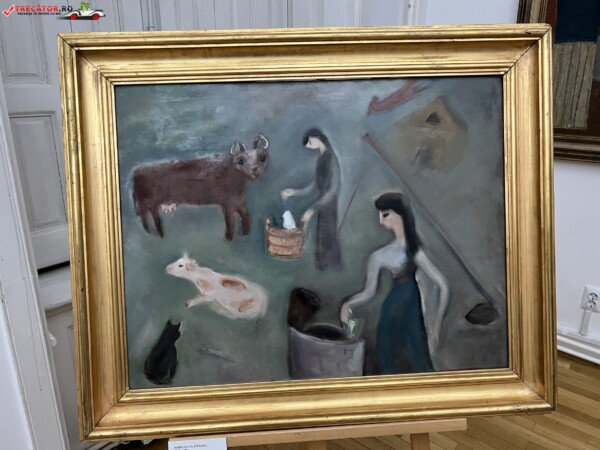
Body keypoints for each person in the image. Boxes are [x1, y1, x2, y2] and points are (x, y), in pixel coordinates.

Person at [340, 192, 449, 374]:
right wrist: (348, 303)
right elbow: (369, 292)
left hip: (411, 316)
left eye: (385, 214)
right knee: (389, 361)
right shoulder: (379, 255)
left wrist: (436, 325)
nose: (380, 221)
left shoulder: (414, 251)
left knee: (416, 361)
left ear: (400, 214)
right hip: (391, 313)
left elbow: (444, 286)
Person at [281, 128, 342, 270]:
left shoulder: (331, 158)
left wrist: (313, 208)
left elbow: (333, 188)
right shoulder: (321, 158)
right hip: (322, 201)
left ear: (316, 138)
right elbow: (313, 186)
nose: (310, 147)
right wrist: (293, 192)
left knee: (328, 237)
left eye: (309, 143)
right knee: (322, 236)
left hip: (329, 202)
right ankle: (323, 267)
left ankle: (332, 267)